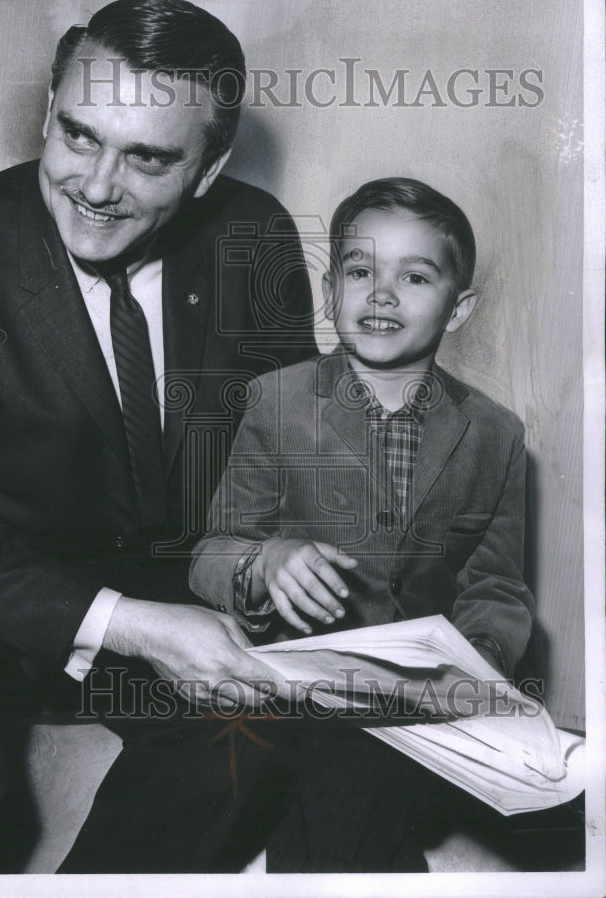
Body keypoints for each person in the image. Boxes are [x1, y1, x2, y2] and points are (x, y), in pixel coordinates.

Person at [0, 0, 318, 873]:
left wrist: (271, 558)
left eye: (148, 159)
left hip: (179, 584)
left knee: (255, 730)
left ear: (208, 169)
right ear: (50, 110)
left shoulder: (257, 237)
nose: (96, 187)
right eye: (79, 135)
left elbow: (288, 451)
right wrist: (131, 624)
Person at [61, 176, 535, 873]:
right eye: (359, 270)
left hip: (411, 711)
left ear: (458, 308)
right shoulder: (275, 402)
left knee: (360, 780)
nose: (380, 293)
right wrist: (266, 561)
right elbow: (213, 553)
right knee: (220, 759)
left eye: (414, 276)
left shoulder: (495, 434)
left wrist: (478, 661)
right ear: (328, 290)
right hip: (284, 685)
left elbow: (496, 584)